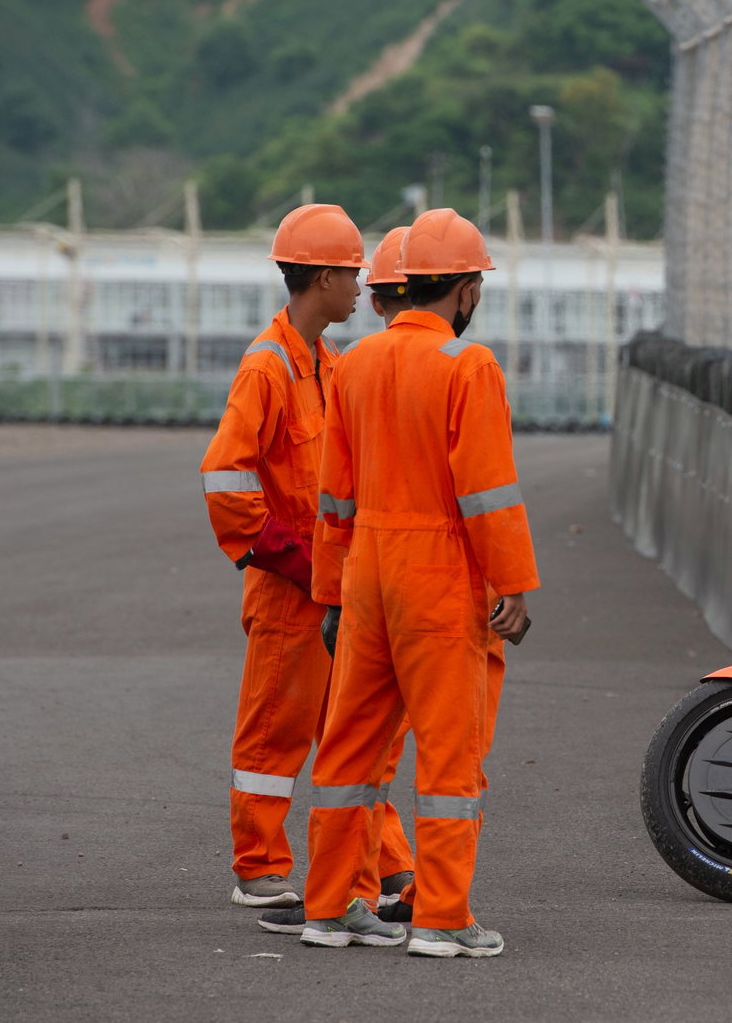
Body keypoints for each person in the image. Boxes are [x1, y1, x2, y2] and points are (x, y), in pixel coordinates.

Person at [299, 208, 538, 957]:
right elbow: (487, 493)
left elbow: (334, 497)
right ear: (466, 290)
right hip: (438, 576)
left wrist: (330, 591)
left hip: (367, 574)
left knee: (350, 749)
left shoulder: (355, 363)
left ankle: (330, 905)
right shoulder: (469, 367)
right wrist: (513, 584)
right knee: (448, 753)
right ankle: (441, 917)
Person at [198, 204, 403, 910]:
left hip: (331, 581)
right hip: (290, 587)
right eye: (353, 274)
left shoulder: (329, 363)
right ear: (322, 278)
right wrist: (288, 555)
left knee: (354, 733)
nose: (361, 286)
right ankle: (258, 867)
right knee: (274, 734)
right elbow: (224, 477)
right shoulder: (269, 365)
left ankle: (389, 866)